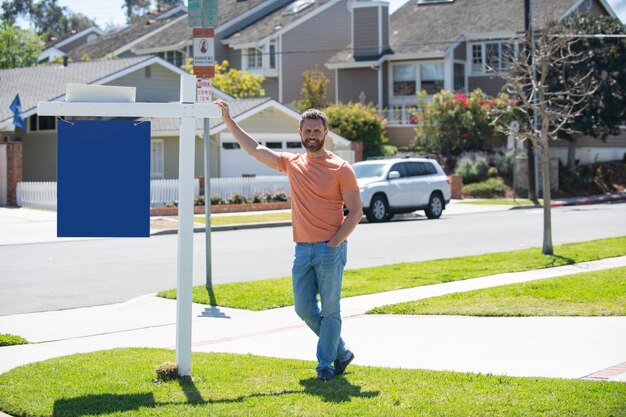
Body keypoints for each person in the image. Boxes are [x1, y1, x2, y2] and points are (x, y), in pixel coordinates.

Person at [213, 99, 362, 382]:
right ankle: (341, 351)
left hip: (330, 249)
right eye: (308, 131)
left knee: (331, 310)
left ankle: (325, 366)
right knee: (304, 309)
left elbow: (355, 212)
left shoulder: (341, 168)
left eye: (317, 131)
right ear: (300, 132)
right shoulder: (292, 164)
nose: (312, 136)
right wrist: (228, 120)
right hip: (302, 250)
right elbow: (256, 149)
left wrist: (335, 243)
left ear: (326, 132)